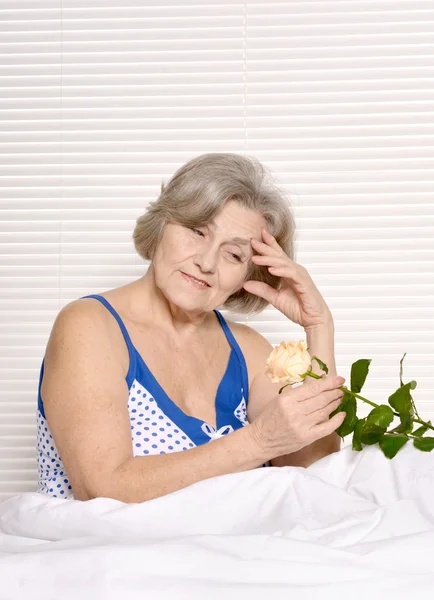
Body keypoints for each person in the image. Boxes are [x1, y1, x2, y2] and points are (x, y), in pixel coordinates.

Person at [36, 153, 346, 503]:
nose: (206, 262)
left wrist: (319, 328)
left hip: (228, 553)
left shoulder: (249, 351)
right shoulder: (88, 326)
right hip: (110, 555)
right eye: (197, 231)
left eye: (233, 255)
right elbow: (102, 489)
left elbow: (315, 474)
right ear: (162, 225)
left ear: (250, 275)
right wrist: (258, 441)